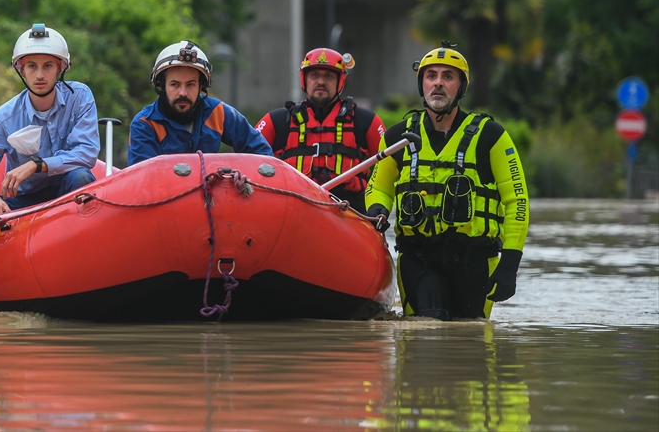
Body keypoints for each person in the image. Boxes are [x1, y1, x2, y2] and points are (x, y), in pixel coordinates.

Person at [365, 42, 530, 321]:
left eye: (448, 76)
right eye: (431, 76)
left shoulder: (492, 136)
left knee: (470, 337)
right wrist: (378, 209)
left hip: (475, 259)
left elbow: (517, 201)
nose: (438, 83)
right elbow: (378, 187)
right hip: (418, 258)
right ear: (422, 85)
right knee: (425, 335)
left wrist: (510, 265)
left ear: (461, 87)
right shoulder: (397, 137)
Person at [0, 23, 99, 215]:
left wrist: (37, 165)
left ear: (60, 69)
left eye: (48, 66)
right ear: (21, 71)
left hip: (70, 190)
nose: (40, 75)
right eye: (32, 66)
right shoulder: (3, 118)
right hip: (26, 201)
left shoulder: (80, 96)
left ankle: (86, 228)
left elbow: (87, 152)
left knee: (80, 176)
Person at [256, 48, 385, 209]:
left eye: (329, 76)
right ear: (304, 79)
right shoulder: (278, 121)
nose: (321, 82)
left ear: (340, 81)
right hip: (294, 208)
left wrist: (377, 204)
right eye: (314, 75)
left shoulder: (365, 121)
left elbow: (391, 166)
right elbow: (249, 162)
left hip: (349, 210)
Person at [128, 40, 272, 165]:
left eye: (190, 84)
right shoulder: (145, 124)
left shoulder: (218, 113)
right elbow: (143, 178)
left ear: (201, 86)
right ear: (161, 85)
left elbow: (263, 155)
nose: (183, 93)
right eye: (175, 84)